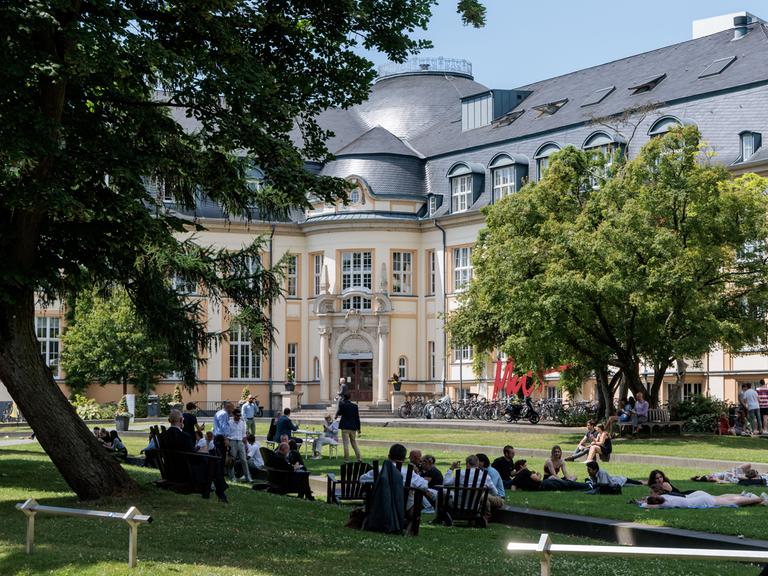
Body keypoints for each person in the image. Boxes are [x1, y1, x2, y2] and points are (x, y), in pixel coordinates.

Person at [360, 443, 435, 511]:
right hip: (403, 507)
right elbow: (424, 485)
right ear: (403, 459)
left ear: (389, 456)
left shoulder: (379, 470)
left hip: (380, 505)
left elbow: (362, 478)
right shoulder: (408, 472)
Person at [445, 455, 502, 521]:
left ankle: (439, 517)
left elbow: (446, 482)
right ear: (477, 464)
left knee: (442, 493)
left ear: (468, 464)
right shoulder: (485, 476)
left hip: (457, 505)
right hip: (475, 507)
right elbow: (495, 492)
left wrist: (451, 468)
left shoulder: (460, 474)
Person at [640, 487, 764, 509]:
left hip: (700, 500)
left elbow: (646, 505)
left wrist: (644, 502)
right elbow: (649, 501)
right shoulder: (665, 497)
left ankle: (758, 499)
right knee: (725, 499)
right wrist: (647, 499)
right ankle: (752, 498)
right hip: (699, 498)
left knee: (728, 502)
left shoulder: (664, 504)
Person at [510, 459, 588, 492]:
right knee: (567, 484)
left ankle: (585, 485)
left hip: (544, 486)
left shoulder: (516, 478)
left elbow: (513, 489)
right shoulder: (525, 471)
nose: (526, 467)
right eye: (525, 465)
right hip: (544, 485)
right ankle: (587, 485)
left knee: (566, 484)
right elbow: (537, 480)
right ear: (521, 466)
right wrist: (538, 474)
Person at [227, 408, 251, 482]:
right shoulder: (229, 422)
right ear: (233, 415)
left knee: (244, 460)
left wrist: (246, 445)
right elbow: (227, 434)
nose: (239, 417)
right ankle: (232, 477)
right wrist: (228, 444)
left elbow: (244, 434)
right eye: (237, 415)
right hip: (232, 441)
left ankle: (248, 477)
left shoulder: (242, 422)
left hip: (240, 442)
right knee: (232, 460)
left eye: (240, 415)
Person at [336, 393, 362, 462]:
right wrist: (359, 429)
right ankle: (359, 458)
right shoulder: (354, 406)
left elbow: (339, 413)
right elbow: (357, 418)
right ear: (350, 398)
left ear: (344, 397)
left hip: (345, 427)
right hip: (353, 427)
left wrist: (339, 404)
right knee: (354, 443)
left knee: (345, 443)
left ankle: (346, 460)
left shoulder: (342, 405)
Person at [691, 464, 765, 484]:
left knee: (748, 465)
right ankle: (752, 476)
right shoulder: (713, 478)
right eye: (709, 477)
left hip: (733, 472)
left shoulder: (713, 475)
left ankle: (751, 474)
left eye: (708, 476)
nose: (710, 476)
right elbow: (724, 481)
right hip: (733, 476)